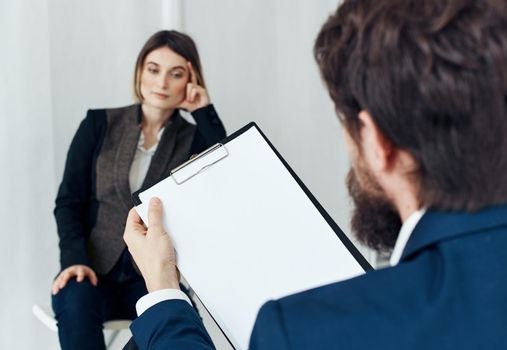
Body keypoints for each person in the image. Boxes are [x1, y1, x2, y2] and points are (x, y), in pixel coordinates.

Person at [123, 0, 507, 349]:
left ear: (378, 143)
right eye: (154, 70)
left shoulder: (302, 330)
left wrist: (163, 290)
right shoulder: (104, 126)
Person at [51, 30, 226, 350]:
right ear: (139, 71)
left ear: (191, 80)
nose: (161, 83)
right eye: (153, 69)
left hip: (150, 272)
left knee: (180, 320)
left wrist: (203, 111)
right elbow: (68, 201)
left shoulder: (194, 140)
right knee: (73, 299)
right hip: (93, 269)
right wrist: (74, 259)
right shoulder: (98, 124)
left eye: (176, 74)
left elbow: (221, 170)